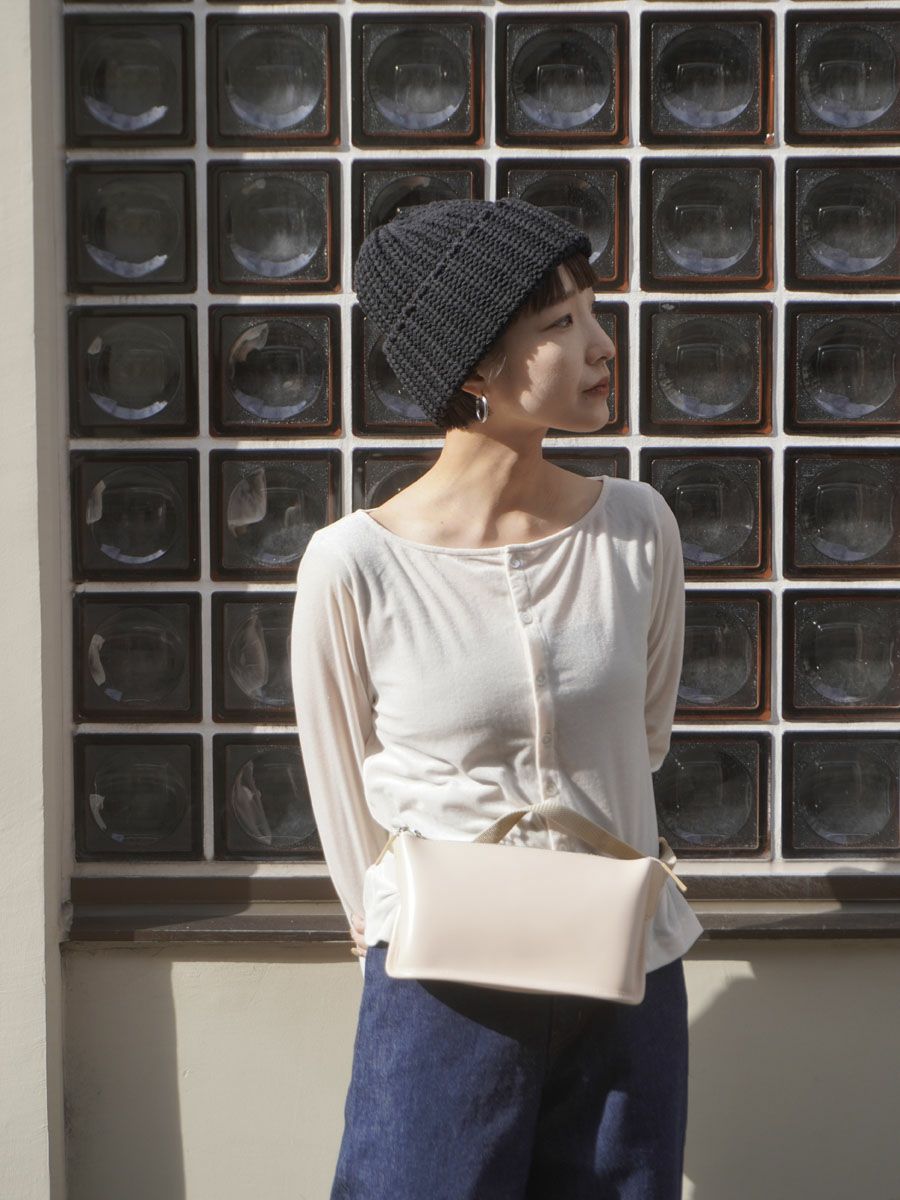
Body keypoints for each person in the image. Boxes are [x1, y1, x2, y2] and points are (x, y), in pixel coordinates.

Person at [289, 197, 704, 1199]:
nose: (602, 346)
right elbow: (344, 804)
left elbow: (644, 736)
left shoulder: (637, 528)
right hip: (443, 988)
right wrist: (398, 927)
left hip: (627, 969)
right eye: (561, 324)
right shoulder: (355, 564)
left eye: (594, 313)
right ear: (473, 367)